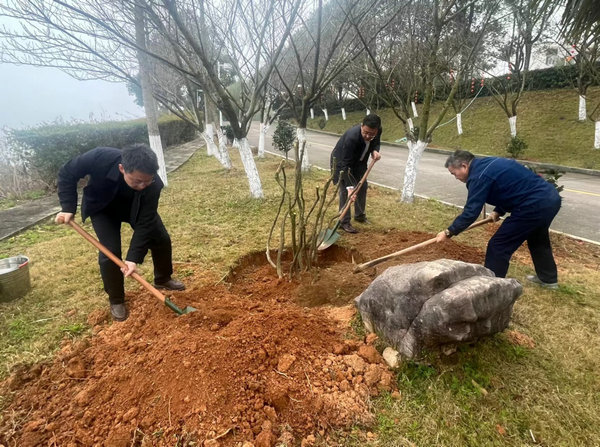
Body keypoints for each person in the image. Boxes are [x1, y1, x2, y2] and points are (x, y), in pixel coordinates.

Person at [55, 143, 185, 321]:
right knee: (110, 251)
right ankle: (116, 299)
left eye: (147, 181)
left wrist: (132, 258)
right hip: (103, 208)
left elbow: (145, 223)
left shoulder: (154, 186)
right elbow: (67, 172)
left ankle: (163, 279)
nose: (143, 185)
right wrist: (68, 207)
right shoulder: (100, 157)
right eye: (137, 181)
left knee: (160, 238)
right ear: (122, 168)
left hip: (135, 208)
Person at [435, 150, 562, 289]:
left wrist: (449, 232)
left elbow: (471, 212)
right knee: (537, 238)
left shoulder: (478, 176)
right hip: (550, 198)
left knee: (498, 246)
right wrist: (498, 210)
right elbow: (510, 187)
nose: (455, 177)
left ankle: (492, 287)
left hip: (534, 205)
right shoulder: (488, 163)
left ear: (464, 166)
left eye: (454, 173)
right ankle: (549, 279)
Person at [330, 113, 382, 233]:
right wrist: (350, 188)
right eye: (365, 132)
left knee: (362, 186)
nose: (368, 136)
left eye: (371, 134)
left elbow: (376, 142)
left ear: (377, 130)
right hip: (341, 162)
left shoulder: (377, 131)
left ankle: (360, 216)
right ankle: (344, 222)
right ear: (361, 126)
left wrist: (375, 150)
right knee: (345, 191)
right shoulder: (351, 138)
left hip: (359, 162)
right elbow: (345, 165)